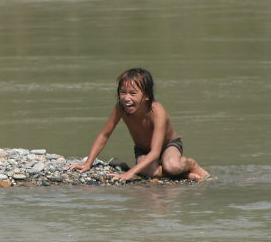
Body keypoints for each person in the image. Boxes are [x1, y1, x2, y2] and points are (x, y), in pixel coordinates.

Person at [68, 68, 210, 182]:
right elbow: (104, 135)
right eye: (122, 92)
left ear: (146, 96)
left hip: (169, 146)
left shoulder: (157, 111)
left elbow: (155, 152)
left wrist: (129, 173)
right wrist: (88, 163)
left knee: (172, 166)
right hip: (143, 149)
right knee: (149, 172)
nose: (126, 98)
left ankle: (191, 165)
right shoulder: (120, 109)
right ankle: (184, 175)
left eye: (132, 93)